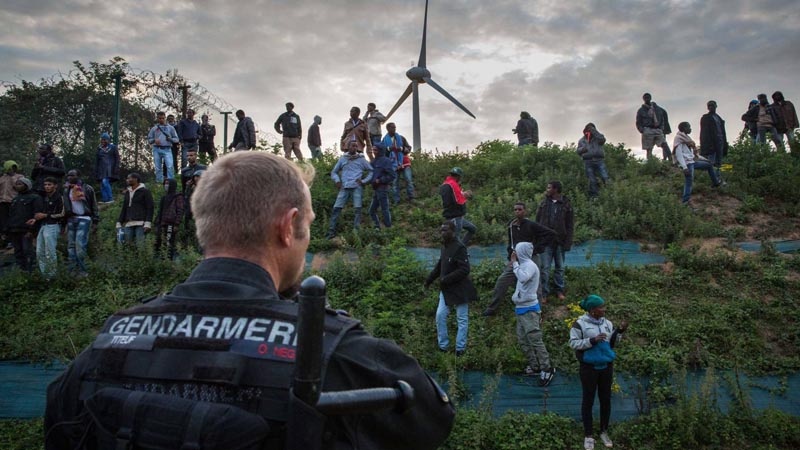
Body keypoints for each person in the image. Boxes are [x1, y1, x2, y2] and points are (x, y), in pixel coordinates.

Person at [45, 151, 455, 450]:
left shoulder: (108, 343)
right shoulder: (331, 349)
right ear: (288, 226)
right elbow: (431, 421)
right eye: (307, 227)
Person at [570, 294, 628, 450]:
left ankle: (603, 431)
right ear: (593, 310)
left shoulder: (607, 323)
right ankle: (588, 435)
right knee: (588, 400)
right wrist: (592, 340)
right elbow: (574, 343)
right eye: (601, 307)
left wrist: (620, 332)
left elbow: (612, 344)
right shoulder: (579, 324)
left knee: (605, 399)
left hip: (606, 367)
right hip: (589, 368)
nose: (604, 309)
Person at [483, 202, 554, 317]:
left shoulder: (531, 225)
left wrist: (536, 249)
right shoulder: (512, 225)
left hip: (531, 258)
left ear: (525, 211)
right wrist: (510, 256)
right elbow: (511, 242)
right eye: (515, 209)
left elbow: (550, 234)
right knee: (502, 281)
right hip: (516, 258)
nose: (517, 211)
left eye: (520, 209)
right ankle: (492, 308)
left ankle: (538, 312)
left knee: (536, 285)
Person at [425, 220, 477, 356]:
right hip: (446, 289)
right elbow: (439, 265)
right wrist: (429, 280)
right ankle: (443, 347)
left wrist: (446, 279)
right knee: (440, 315)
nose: (443, 233)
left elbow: (465, 269)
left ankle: (460, 349)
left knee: (462, 318)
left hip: (460, 288)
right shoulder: (444, 247)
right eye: (441, 230)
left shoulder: (459, 247)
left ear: (453, 232)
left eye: (445, 230)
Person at [510, 242, 555, 386]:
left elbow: (523, 278)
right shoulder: (523, 265)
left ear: (521, 251)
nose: (514, 252)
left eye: (516, 250)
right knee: (523, 340)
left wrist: (514, 264)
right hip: (521, 309)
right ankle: (534, 366)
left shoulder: (529, 265)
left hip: (529, 310)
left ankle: (547, 368)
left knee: (535, 340)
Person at [535, 180, 574, 303]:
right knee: (544, 268)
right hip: (545, 242)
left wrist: (568, 242)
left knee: (560, 268)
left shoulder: (566, 204)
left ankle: (559, 291)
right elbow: (537, 222)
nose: (547, 190)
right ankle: (544, 293)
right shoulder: (543, 204)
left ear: (555, 189)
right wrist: (537, 239)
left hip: (560, 242)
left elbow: (570, 225)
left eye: (549, 188)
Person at [325, 142, 373, 239]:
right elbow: (334, 172)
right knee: (336, 209)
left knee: (357, 209)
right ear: (348, 147)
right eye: (352, 146)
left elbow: (371, 171)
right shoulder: (343, 159)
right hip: (344, 187)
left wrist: (364, 181)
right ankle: (331, 232)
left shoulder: (361, 160)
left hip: (356, 187)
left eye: (356, 146)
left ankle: (356, 233)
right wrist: (337, 181)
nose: (354, 147)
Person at [674, 122, 723, 208]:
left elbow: (694, 154)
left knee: (709, 165)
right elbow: (679, 155)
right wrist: (684, 167)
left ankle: (716, 182)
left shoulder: (687, 139)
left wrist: (706, 160)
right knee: (689, 181)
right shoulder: (679, 139)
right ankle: (685, 202)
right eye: (688, 127)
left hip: (692, 161)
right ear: (684, 128)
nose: (690, 129)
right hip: (687, 164)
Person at [63, 169, 100, 276]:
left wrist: (95, 221)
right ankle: (72, 271)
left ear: (78, 176)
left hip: (84, 218)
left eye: (72, 175)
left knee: (80, 245)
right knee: (71, 246)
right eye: (68, 175)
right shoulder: (66, 189)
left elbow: (94, 205)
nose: (69, 177)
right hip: (71, 219)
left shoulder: (87, 188)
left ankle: (83, 271)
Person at [5, 177, 42, 272]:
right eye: (17, 184)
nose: (17, 186)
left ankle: (31, 273)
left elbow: (37, 215)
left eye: (20, 184)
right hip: (14, 230)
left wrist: (32, 230)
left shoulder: (35, 197)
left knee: (28, 251)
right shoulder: (15, 199)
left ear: (27, 185)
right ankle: (21, 273)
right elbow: (10, 215)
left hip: (26, 230)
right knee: (18, 252)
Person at [34, 177, 65, 278]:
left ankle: (52, 276)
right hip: (43, 225)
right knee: (39, 251)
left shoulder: (59, 197)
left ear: (55, 186)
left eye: (49, 184)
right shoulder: (45, 197)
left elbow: (62, 213)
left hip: (53, 225)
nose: (47, 187)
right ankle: (45, 275)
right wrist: (36, 219)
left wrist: (46, 215)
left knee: (50, 251)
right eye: (45, 185)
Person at [440, 167, 476, 246]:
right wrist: (464, 196)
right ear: (458, 176)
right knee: (455, 239)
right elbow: (458, 201)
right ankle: (456, 252)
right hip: (455, 216)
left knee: (472, 229)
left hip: (454, 215)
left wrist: (461, 193)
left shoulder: (446, 184)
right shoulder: (453, 185)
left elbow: (451, 198)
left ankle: (461, 248)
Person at [116, 172, 153, 247]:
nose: (128, 180)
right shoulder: (127, 193)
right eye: (127, 178)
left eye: (129, 178)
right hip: (128, 222)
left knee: (140, 246)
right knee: (127, 246)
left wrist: (148, 223)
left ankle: (141, 259)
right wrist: (119, 221)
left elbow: (150, 207)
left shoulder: (145, 192)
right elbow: (124, 208)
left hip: (141, 223)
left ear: (136, 179)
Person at [382, 122, 415, 203]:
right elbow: (383, 153)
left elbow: (408, 148)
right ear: (388, 129)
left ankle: (412, 198)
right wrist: (389, 149)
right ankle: (397, 201)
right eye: (392, 127)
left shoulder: (401, 138)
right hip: (393, 164)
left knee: (408, 179)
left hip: (404, 162)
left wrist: (403, 149)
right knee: (394, 183)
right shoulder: (384, 140)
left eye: (395, 127)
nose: (394, 129)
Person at [153, 178, 184, 261]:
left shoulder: (178, 197)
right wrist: (156, 223)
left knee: (169, 242)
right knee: (159, 242)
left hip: (171, 223)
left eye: (168, 183)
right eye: (165, 183)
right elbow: (160, 211)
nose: (166, 185)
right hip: (161, 223)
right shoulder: (164, 197)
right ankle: (162, 261)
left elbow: (180, 210)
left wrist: (177, 223)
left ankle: (168, 262)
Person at [635, 93, 672, 161]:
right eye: (645, 97)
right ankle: (651, 163)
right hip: (647, 130)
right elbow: (638, 121)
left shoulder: (658, 109)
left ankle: (671, 160)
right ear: (643, 99)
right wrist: (642, 130)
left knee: (664, 144)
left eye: (648, 97)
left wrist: (661, 128)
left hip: (657, 129)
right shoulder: (641, 110)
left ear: (650, 98)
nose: (647, 98)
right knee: (649, 148)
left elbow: (662, 119)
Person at [576, 123, 609, 198]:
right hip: (588, 161)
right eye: (589, 129)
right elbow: (578, 151)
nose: (590, 130)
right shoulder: (582, 140)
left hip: (599, 160)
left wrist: (594, 131)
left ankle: (609, 193)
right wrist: (582, 150)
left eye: (591, 129)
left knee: (605, 177)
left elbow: (602, 140)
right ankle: (594, 197)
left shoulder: (598, 138)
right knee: (591, 180)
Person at [368, 144, 396, 230]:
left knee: (384, 209)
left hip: (382, 188)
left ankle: (388, 227)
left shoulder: (386, 161)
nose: (374, 152)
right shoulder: (373, 162)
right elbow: (369, 174)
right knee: (372, 211)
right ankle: (377, 226)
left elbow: (392, 175)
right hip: (376, 189)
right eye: (373, 150)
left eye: (375, 150)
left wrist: (380, 180)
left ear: (380, 150)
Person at [147, 112, 180, 184]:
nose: (161, 120)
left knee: (170, 165)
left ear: (165, 118)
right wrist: (154, 140)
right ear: (157, 118)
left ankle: (171, 182)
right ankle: (159, 181)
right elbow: (149, 139)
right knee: (158, 167)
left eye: (163, 118)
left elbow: (176, 139)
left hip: (167, 149)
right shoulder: (154, 128)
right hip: (156, 148)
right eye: (159, 118)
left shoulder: (171, 128)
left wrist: (170, 139)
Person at [699, 101, 728, 179]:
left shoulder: (718, 118)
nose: (711, 107)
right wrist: (707, 144)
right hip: (711, 143)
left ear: (716, 106)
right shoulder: (705, 118)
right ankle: (711, 178)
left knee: (719, 162)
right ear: (707, 107)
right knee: (711, 162)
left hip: (720, 141)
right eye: (709, 106)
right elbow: (704, 133)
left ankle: (717, 177)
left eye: (712, 105)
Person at [0, 160, 23, 249]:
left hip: (13, 202)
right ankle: (5, 240)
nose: (11, 169)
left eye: (13, 167)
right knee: (3, 222)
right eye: (10, 167)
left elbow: (18, 187)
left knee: (12, 221)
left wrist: (12, 176)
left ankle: (12, 241)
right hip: (2, 202)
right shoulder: (2, 177)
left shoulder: (19, 177)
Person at [94, 132, 120, 203]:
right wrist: (95, 170)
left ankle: (110, 198)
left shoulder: (113, 147)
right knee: (102, 184)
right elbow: (97, 160)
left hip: (110, 168)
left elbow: (117, 158)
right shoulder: (99, 149)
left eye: (105, 139)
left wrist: (116, 168)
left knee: (105, 182)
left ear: (108, 140)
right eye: (102, 139)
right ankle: (105, 199)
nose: (103, 141)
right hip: (101, 169)